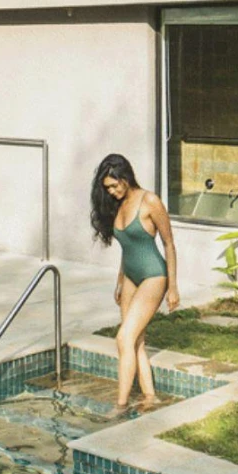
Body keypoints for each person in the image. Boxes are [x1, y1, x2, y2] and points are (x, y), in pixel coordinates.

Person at [90, 154, 179, 414]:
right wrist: (120, 280)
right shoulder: (117, 205)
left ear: (126, 177)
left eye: (115, 185)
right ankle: (150, 396)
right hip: (129, 276)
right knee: (136, 340)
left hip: (153, 275)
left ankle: (120, 405)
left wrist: (173, 286)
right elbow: (127, 247)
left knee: (123, 337)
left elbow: (169, 243)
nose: (112, 191)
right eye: (107, 187)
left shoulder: (150, 201)